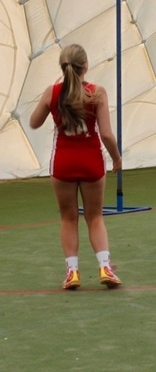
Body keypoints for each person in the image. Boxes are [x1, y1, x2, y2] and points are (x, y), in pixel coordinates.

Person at [29, 44, 122, 290]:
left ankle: (72, 272)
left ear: (63, 67)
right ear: (86, 66)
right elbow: (107, 135)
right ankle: (105, 267)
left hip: (63, 163)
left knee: (69, 218)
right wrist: (117, 159)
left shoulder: (53, 92)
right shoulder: (97, 93)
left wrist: (49, 103)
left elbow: (34, 122)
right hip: (91, 162)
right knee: (95, 217)